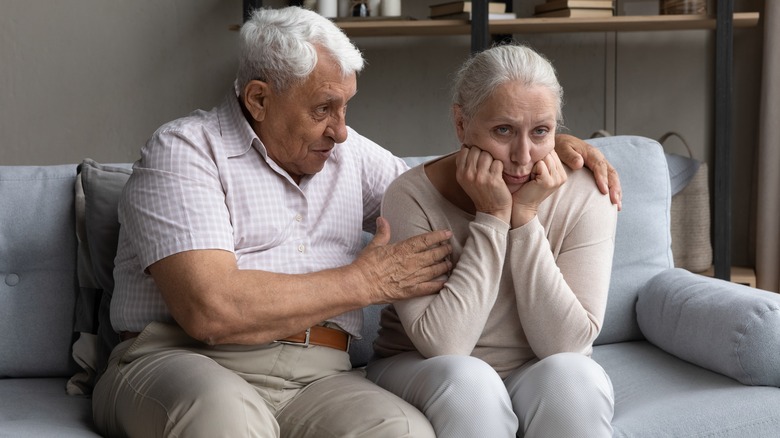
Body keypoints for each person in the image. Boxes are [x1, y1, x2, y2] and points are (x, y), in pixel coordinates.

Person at [92, 7, 620, 438]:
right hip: (185, 359)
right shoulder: (185, 151)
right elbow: (211, 310)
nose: (341, 132)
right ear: (258, 99)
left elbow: (442, 185)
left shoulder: (350, 156)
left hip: (319, 376)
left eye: (347, 107)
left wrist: (540, 147)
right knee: (223, 418)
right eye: (324, 109)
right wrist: (364, 283)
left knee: (403, 432)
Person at [367, 44, 618, 437]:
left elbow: (567, 343)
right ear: (461, 123)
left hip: (535, 366)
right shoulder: (410, 196)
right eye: (503, 130)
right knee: (471, 384)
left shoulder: (588, 191)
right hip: (422, 366)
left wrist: (525, 221)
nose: (522, 156)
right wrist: (493, 218)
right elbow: (444, 344)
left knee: (575, 380)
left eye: (541, 131)